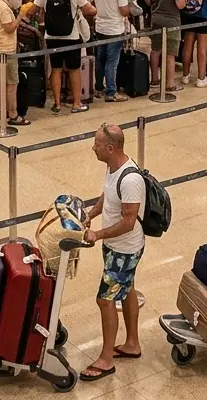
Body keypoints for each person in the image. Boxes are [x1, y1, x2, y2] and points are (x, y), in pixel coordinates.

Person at [79, 122, 144, 382]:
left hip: (125, 250)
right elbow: (108, 195)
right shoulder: (113, 167)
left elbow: (129, 221)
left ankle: (106, 359)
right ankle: (132, 344)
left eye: (96, 144)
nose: (93, 148)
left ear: (110, 147)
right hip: (114, 246)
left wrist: (98, 234)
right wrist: (91, 214)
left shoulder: (131, 180)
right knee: (126, 290)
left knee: (105, 300)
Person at [35, 0, 96, 114]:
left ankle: (57, 104)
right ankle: (76, 103)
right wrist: (94, 8)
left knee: (55, 69)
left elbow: (33, 10)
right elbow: (89, 10)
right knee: (73, 70)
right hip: (72, 36)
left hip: (51, 35)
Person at [90, 0, 131, 102]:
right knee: (112, 62)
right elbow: (124, 11)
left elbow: (92, 3)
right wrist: (130, 7)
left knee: (100, 59)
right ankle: (111, 92)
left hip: (100, 27)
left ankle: (99, 88)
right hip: (115, 28)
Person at [144, 0, 185, 90]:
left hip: (156, 19)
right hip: (171, 21)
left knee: (155, 49)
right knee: (170, 53)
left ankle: (154, 80)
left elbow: (148, 0)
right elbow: (180, 5)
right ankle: (170, 84)